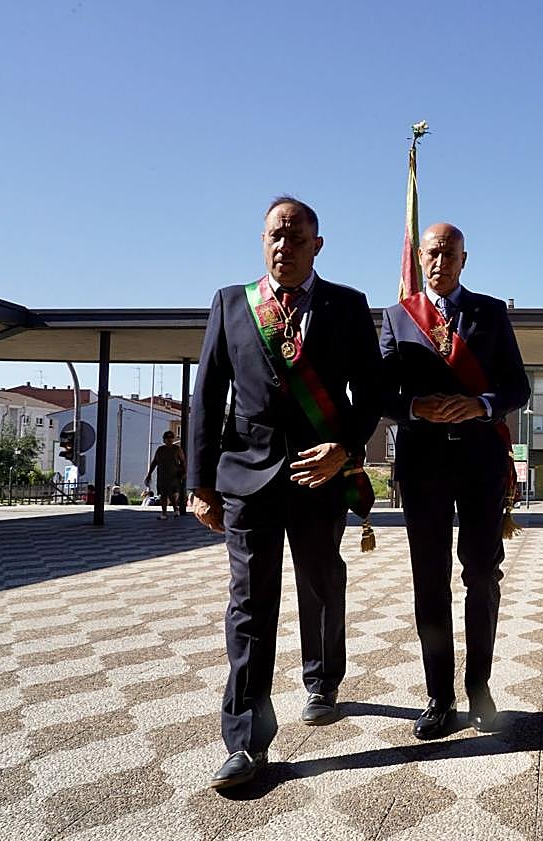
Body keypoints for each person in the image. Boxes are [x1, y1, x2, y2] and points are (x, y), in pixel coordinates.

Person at [189, 197, 384, 790]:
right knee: (249, 604)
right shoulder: (230, 304)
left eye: (297, 238)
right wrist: (200, 483)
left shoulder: (346, 306)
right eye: (276, 235)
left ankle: (323, 678)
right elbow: (207, 396)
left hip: (319, 474)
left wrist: (347, 450)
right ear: (262, 239)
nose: (285, 245)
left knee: (322, 582)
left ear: (317, 246)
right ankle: (246, 741)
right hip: (247, 478)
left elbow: (371, 392)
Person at [378, 222, 530, 740]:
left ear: (465, 259)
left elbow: (518, 387)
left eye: (450, 253)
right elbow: (380, 395)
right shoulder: (398, 318)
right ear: (420, 259)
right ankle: (438, 696)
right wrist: (416, 407)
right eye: (432, 253)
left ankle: (479, 687)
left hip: (481, 463)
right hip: (422, 467)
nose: (440, 261)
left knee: (482, 575)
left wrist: (480, 405)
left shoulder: (490, 312)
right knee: (430, 581)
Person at [146, 430, 186, 519]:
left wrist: (184, 472)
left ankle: (175, 509)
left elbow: (183, 462)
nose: (169, 440)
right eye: (167, 438)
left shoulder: (177, 449)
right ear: (164, 440)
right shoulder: (160, 449)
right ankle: (164, 513)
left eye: (171, 438)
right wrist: (149, 474)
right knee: (163, 494)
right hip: (162, 475)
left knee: (171, 494)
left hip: (174, 476)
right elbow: (154, 462)